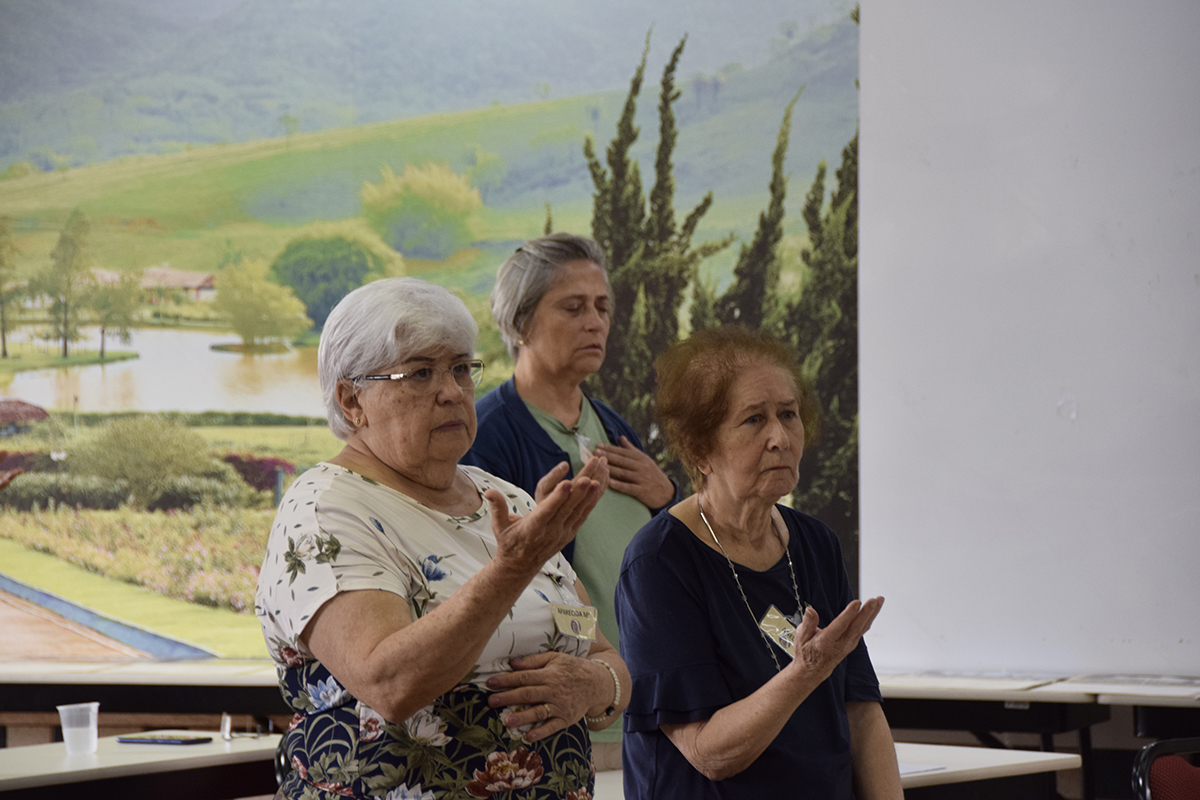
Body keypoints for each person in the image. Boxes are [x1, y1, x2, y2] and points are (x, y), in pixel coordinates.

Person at [255, 277, 630, 800]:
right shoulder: (325, 508)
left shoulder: (507, 499)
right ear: (352, 400)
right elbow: (389, 684)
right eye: (419, 373)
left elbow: (603, 652)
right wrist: (513, 568)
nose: (451, 391)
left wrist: (595, 685)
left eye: (460, 369)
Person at [615, 326, 903, 799]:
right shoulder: (659, 561)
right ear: (700, 449)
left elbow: (862, 713)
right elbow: (708, 752)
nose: (780, 438)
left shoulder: (817, 544)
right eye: (753, 420)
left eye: (789, 415)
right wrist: (803, 674)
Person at [462, 232, 678, 655]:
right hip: (575, 679)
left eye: (602, 307)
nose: (595, 322)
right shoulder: (485, 436)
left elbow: (676, 557)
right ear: (519, 323)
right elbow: (478, 586)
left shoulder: (613, 426)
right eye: (573, 307)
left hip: (652, 682)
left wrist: (668, 500)